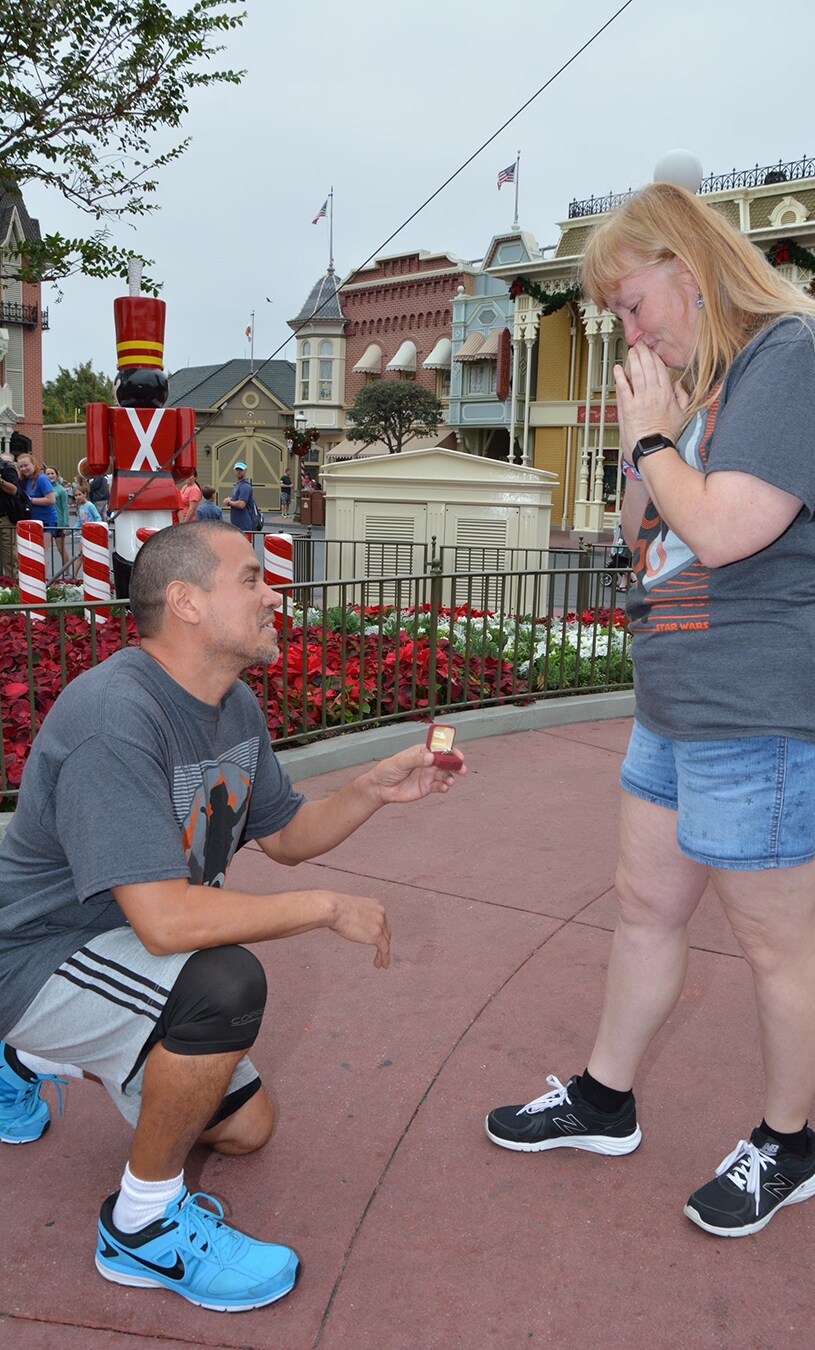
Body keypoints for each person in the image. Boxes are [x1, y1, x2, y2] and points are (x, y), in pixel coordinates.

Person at [485, 183, 815, 1239]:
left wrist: (660, 439)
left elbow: (723, 531)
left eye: (631, 303)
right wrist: (645, 436)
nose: (627, 327)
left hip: (770, 698)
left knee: (773, 943)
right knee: (645, 904)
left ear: (690, 267)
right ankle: (605, 1099)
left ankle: (787, 1144)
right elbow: (638, 530)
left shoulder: (800, 351)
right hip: (684, 689)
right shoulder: (706, 389)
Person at [0, 520, 465, 1312]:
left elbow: (284, 836)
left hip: (123, 951)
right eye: (250, 579)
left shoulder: (232, 704)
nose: (273, 593)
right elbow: (167, 926)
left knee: (247, 1132)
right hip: (39, 958)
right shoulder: (114, 718)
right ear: (184, 601)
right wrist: (326, 908)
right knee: (222, 985)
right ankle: (139, 1228)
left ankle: (28, 1065)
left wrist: (372, 790)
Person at [17, 452, 58, 532]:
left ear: (33, 464)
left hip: (45, 520)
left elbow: (51, 500)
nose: (23, 469)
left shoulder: (42, 479)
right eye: (21, 466)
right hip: (32, 519)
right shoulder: (25, 480)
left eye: (26, 465)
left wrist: (29, 500)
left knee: (43, 545)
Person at [45, 466, 71, 578]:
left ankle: (67, 573)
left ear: (57, 474)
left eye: (52, 473)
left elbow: (65, 508)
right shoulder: (44, 488)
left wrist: (65, 525)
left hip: (58, 523)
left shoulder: (61, 490)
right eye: (48, 474)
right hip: (47, 522)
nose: (50, 476)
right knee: (43, 549)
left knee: (61, 549)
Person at [0, 450, 21, 580]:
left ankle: (12, 587)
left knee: (9, 556)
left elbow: (14, 490)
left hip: (5, 517)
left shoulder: (7, 469)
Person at [222, 461, 257, 531]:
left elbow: (241, 504)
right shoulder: (237, 485)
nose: (238, 471)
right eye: (237, 469)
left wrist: (229, 502)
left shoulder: (245, 486)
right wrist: (230, 499)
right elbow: (237, 499)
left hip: (245, 525)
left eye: (241, 470)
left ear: (245, 470)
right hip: (236, 525)